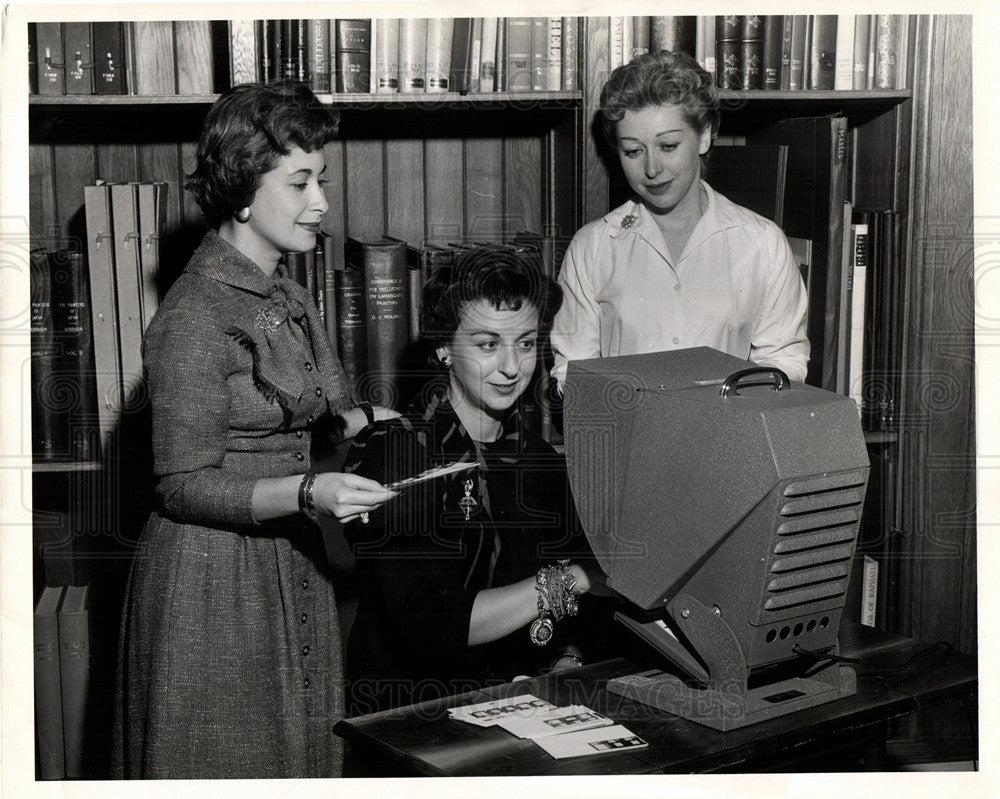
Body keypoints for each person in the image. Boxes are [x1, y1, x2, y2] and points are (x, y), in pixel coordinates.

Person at [113, 82, 398, 779]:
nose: (321, 202)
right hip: (211, 588)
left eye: (320, 179)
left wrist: (371, 421)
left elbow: (311, 418)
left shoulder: (287, 293)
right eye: (299, 182)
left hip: (293, 563)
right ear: (242, 188)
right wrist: (306, 492)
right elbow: (180, 485)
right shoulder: (193, 316)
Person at [342, 247, 605, 715]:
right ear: (444, 346)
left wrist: (569, 661)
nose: (511, 367)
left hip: (529, 706)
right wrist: (571, 579)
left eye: (525, 344)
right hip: (415, 715)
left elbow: (578, 619)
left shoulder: (541, 459)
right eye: (488, 345)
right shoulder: (395, 454)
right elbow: (427, 625)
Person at [550, 50, 809, 389]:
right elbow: (572, 372)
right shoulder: (593, 246)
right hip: (627, 438)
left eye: (668, 146)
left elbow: (783, 362)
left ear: (703, 136)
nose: (652, 169)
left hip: (727, 437)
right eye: (633, 151)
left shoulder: (762, 242)